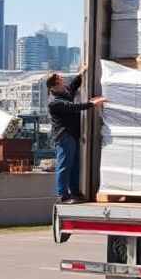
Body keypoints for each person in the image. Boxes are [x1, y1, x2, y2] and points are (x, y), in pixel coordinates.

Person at [47, 65, 105, 203]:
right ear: (54, 86)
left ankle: (75, 192)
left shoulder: (63, 93)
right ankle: (62, 195)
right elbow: (73, 107)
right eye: (61, 82)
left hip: (73, 134)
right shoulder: (54, 102)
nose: (64, 83)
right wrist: (92, 103)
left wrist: (81, 74)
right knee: (65, 164)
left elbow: (72, 87)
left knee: (75, 164)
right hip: (64, 135)